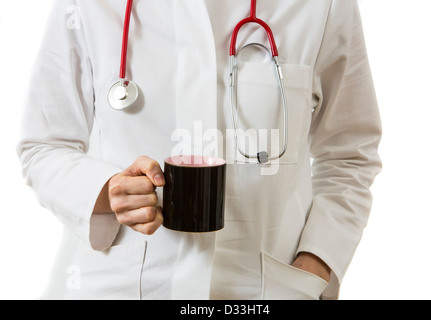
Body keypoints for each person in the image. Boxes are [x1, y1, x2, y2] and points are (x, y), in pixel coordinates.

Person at [17, 0, 381, 300]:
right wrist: (107, 189)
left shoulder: (323, 7)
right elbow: (45, 145)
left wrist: (314, 266)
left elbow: (350, 153)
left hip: (259, 295)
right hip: (117, 287)